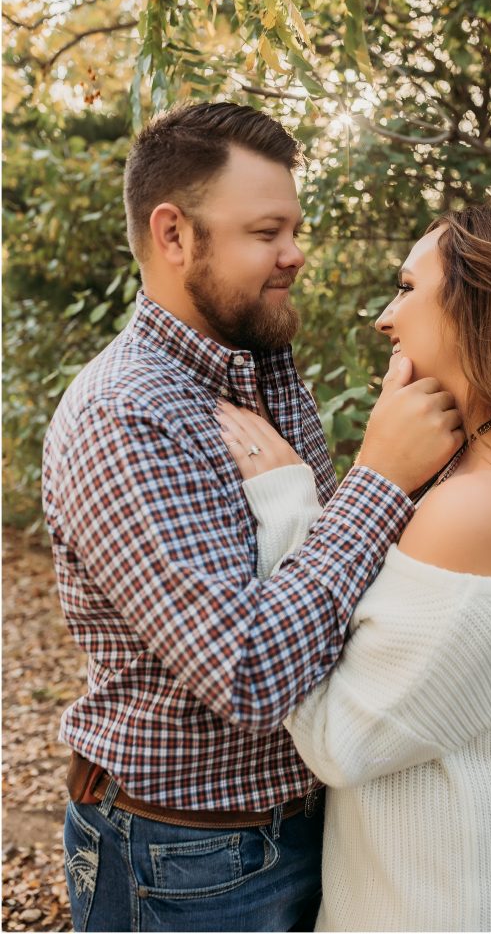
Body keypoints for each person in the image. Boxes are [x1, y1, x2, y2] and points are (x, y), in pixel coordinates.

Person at [41, 101, 463, 933]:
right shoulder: (126, 415)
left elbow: (333, 590)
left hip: (305, 828)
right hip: (187, 863)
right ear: (174, 234)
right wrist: (380, 478)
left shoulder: (262, 369)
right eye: (267, 232)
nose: (295, 254)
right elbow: (248, 676)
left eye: (294, 229)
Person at [216, 203, 491, 932]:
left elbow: (339, 742)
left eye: (409, 288)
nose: (386, 318)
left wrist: (287, 508)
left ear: (488, 309)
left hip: (445, 902)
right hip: (470, 876)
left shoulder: (480, 507)